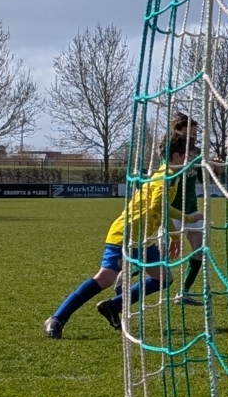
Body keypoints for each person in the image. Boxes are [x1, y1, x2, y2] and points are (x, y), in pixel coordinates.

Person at [47, 121, 189, 337]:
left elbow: (160, 208)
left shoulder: (168, 174)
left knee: (163, 278)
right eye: (187, 155)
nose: (189, 160)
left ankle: (114, 306)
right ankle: (57, 319)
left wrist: (188, 217)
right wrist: (176, 236)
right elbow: (158, 206)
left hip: (144, 238)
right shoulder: (166, 176)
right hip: (127, 232)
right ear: (178, 156)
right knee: (105, 278)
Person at [171, 144, 210, 305]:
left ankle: (183, 293)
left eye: (195, 132)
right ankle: (127, 274)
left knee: (200, 250)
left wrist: (214, 169)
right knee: (163, 256)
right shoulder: (172, 152)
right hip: (172, 210)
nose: (194, 136)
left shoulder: (198, 152)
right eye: (191, 132)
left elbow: (202, 177)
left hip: (192, 210)